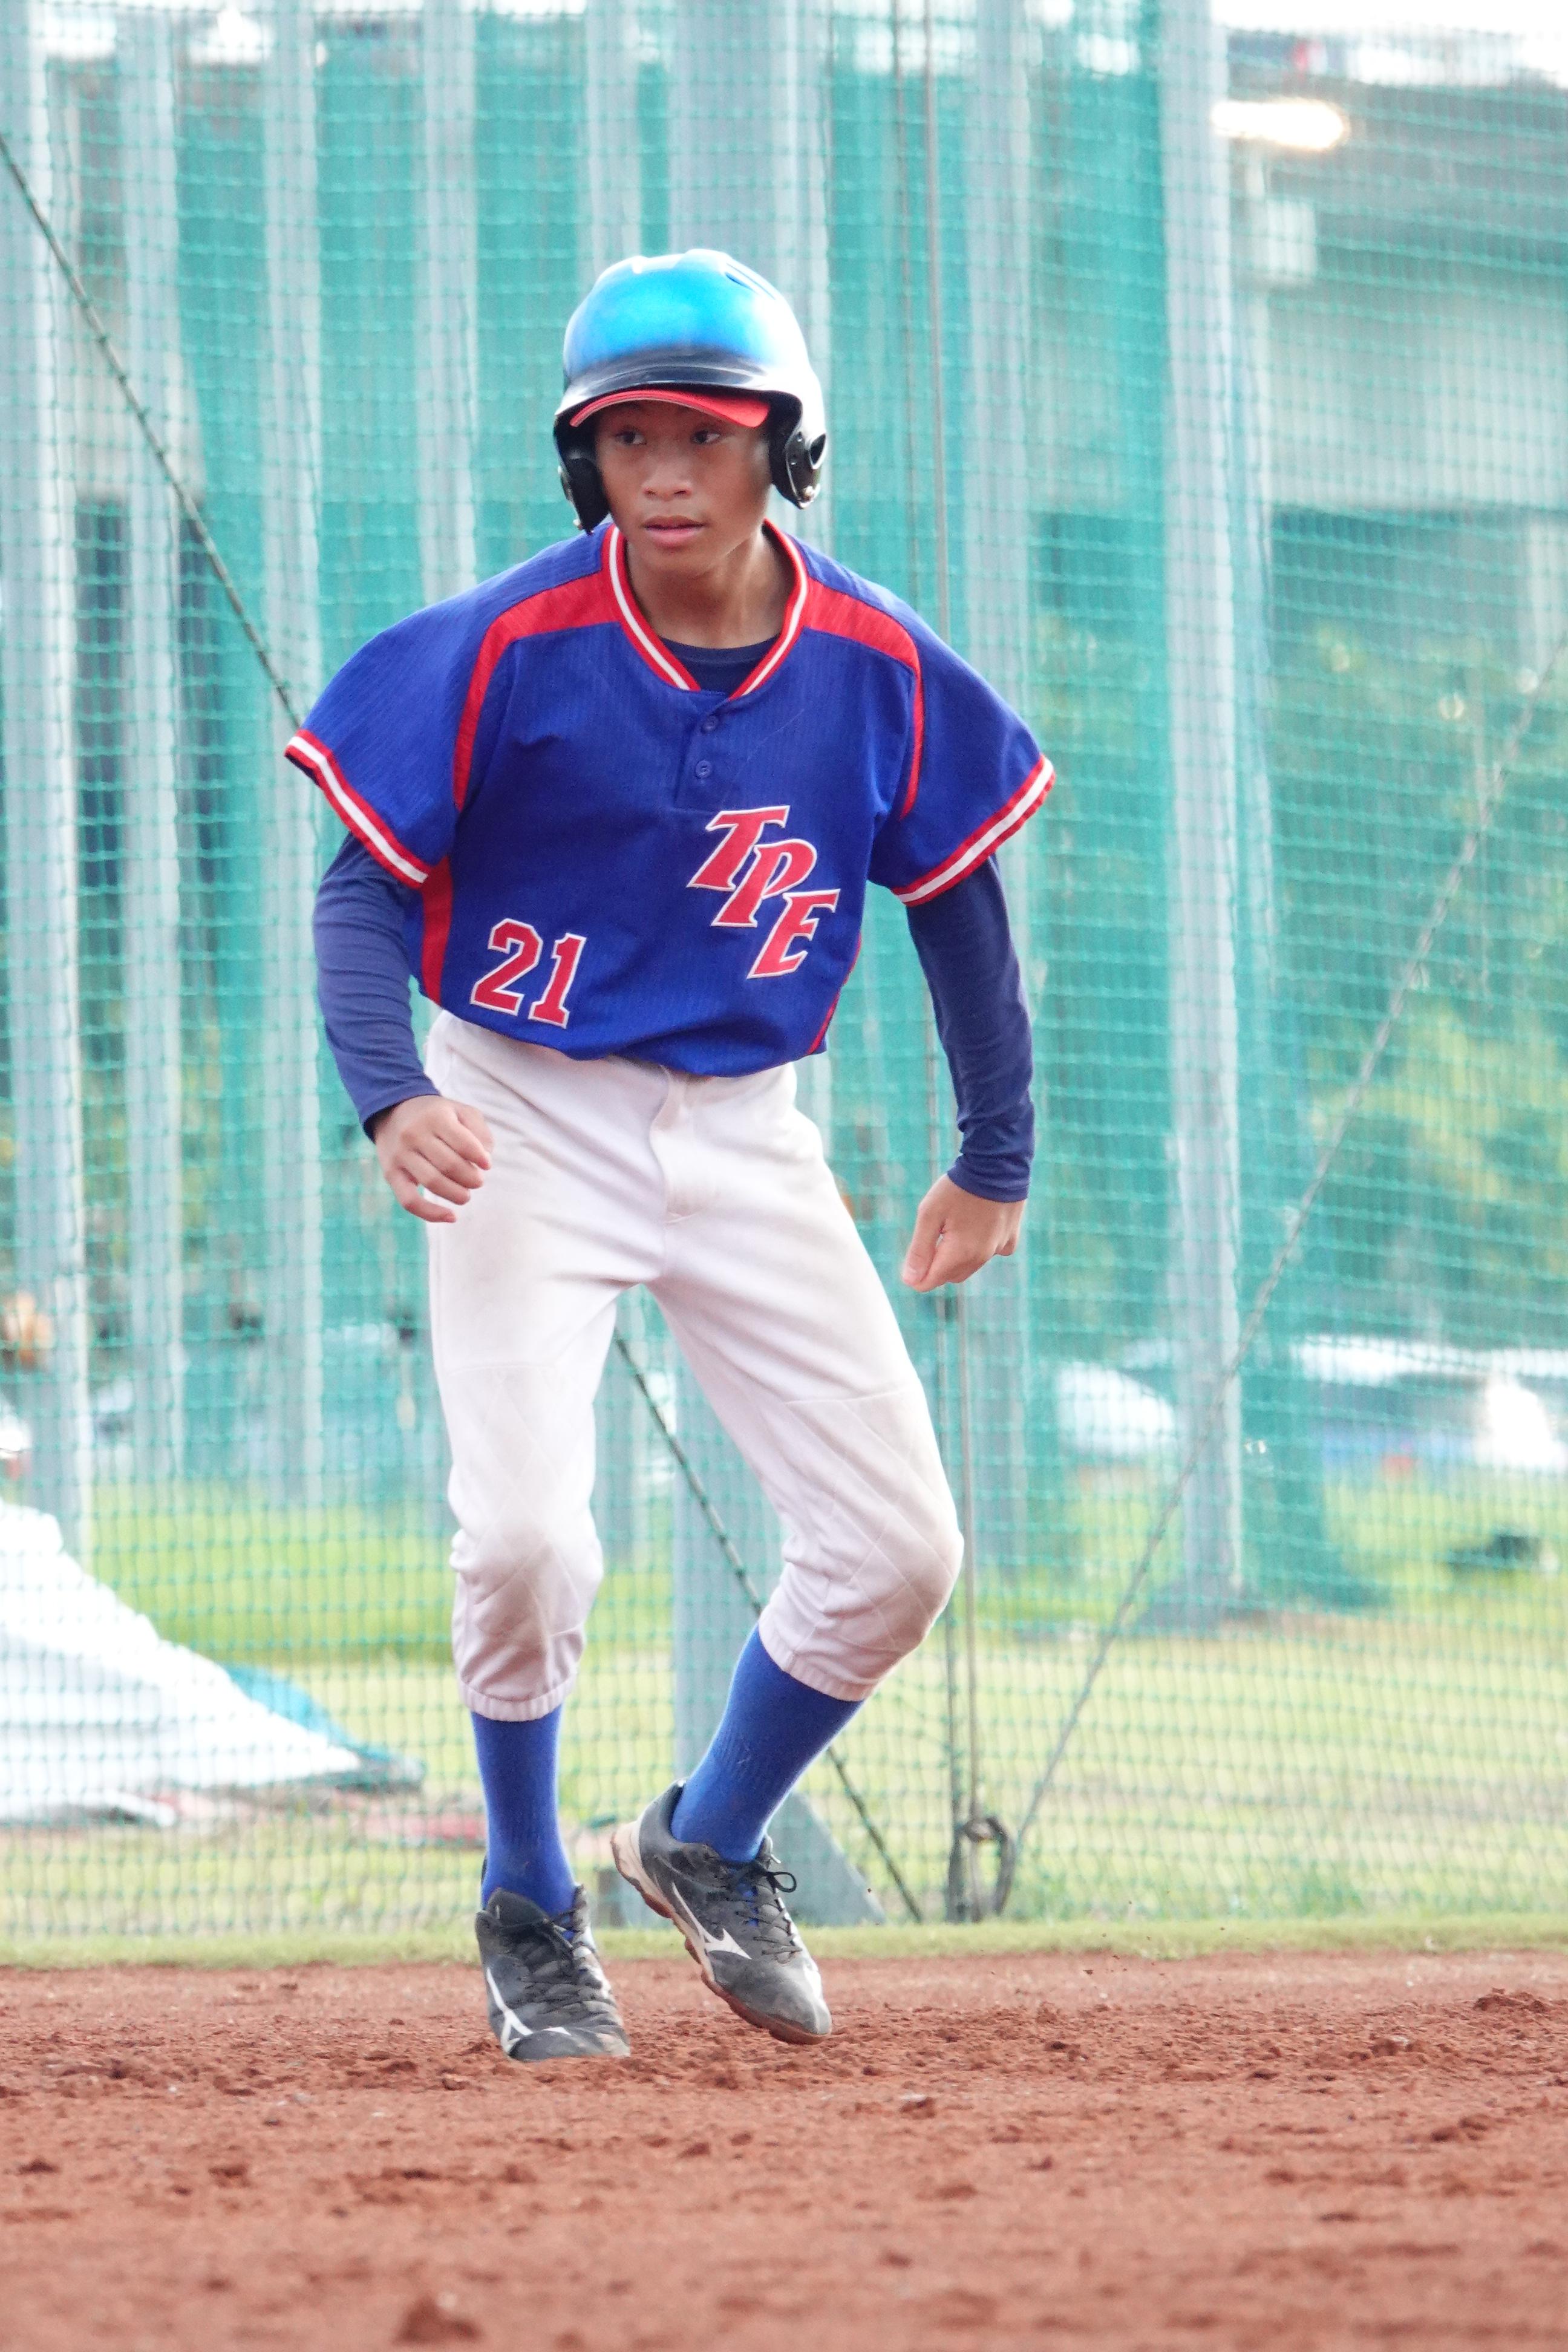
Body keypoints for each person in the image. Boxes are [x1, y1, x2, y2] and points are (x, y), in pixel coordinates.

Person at [301, 250, 1050, 2061]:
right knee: (525, 1546)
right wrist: (392, 1091)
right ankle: (526, 1897)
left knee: (900, 1551)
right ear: (587, 457)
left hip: (742, 1126)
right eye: (626, 435)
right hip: (522, 1113)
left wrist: (995, 1150)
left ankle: (707, 1838)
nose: (662, 470)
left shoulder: (871, 661)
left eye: (703, 435)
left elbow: (957, 901)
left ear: (781, 447)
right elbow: (361, 892)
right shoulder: (505, 644)